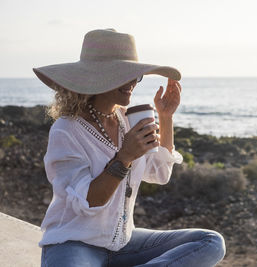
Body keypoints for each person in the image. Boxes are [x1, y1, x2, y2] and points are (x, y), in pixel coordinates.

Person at [33, 29, 225, 267]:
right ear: (98, 78)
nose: (133, 82)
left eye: (135, 75)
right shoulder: (66, 130)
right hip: (74, 243)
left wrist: (166, 118)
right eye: (124, 75)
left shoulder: (127, 120)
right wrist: (124, 157)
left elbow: (159, 174)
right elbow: (89, 202)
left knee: (211, 242)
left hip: (123, 243)